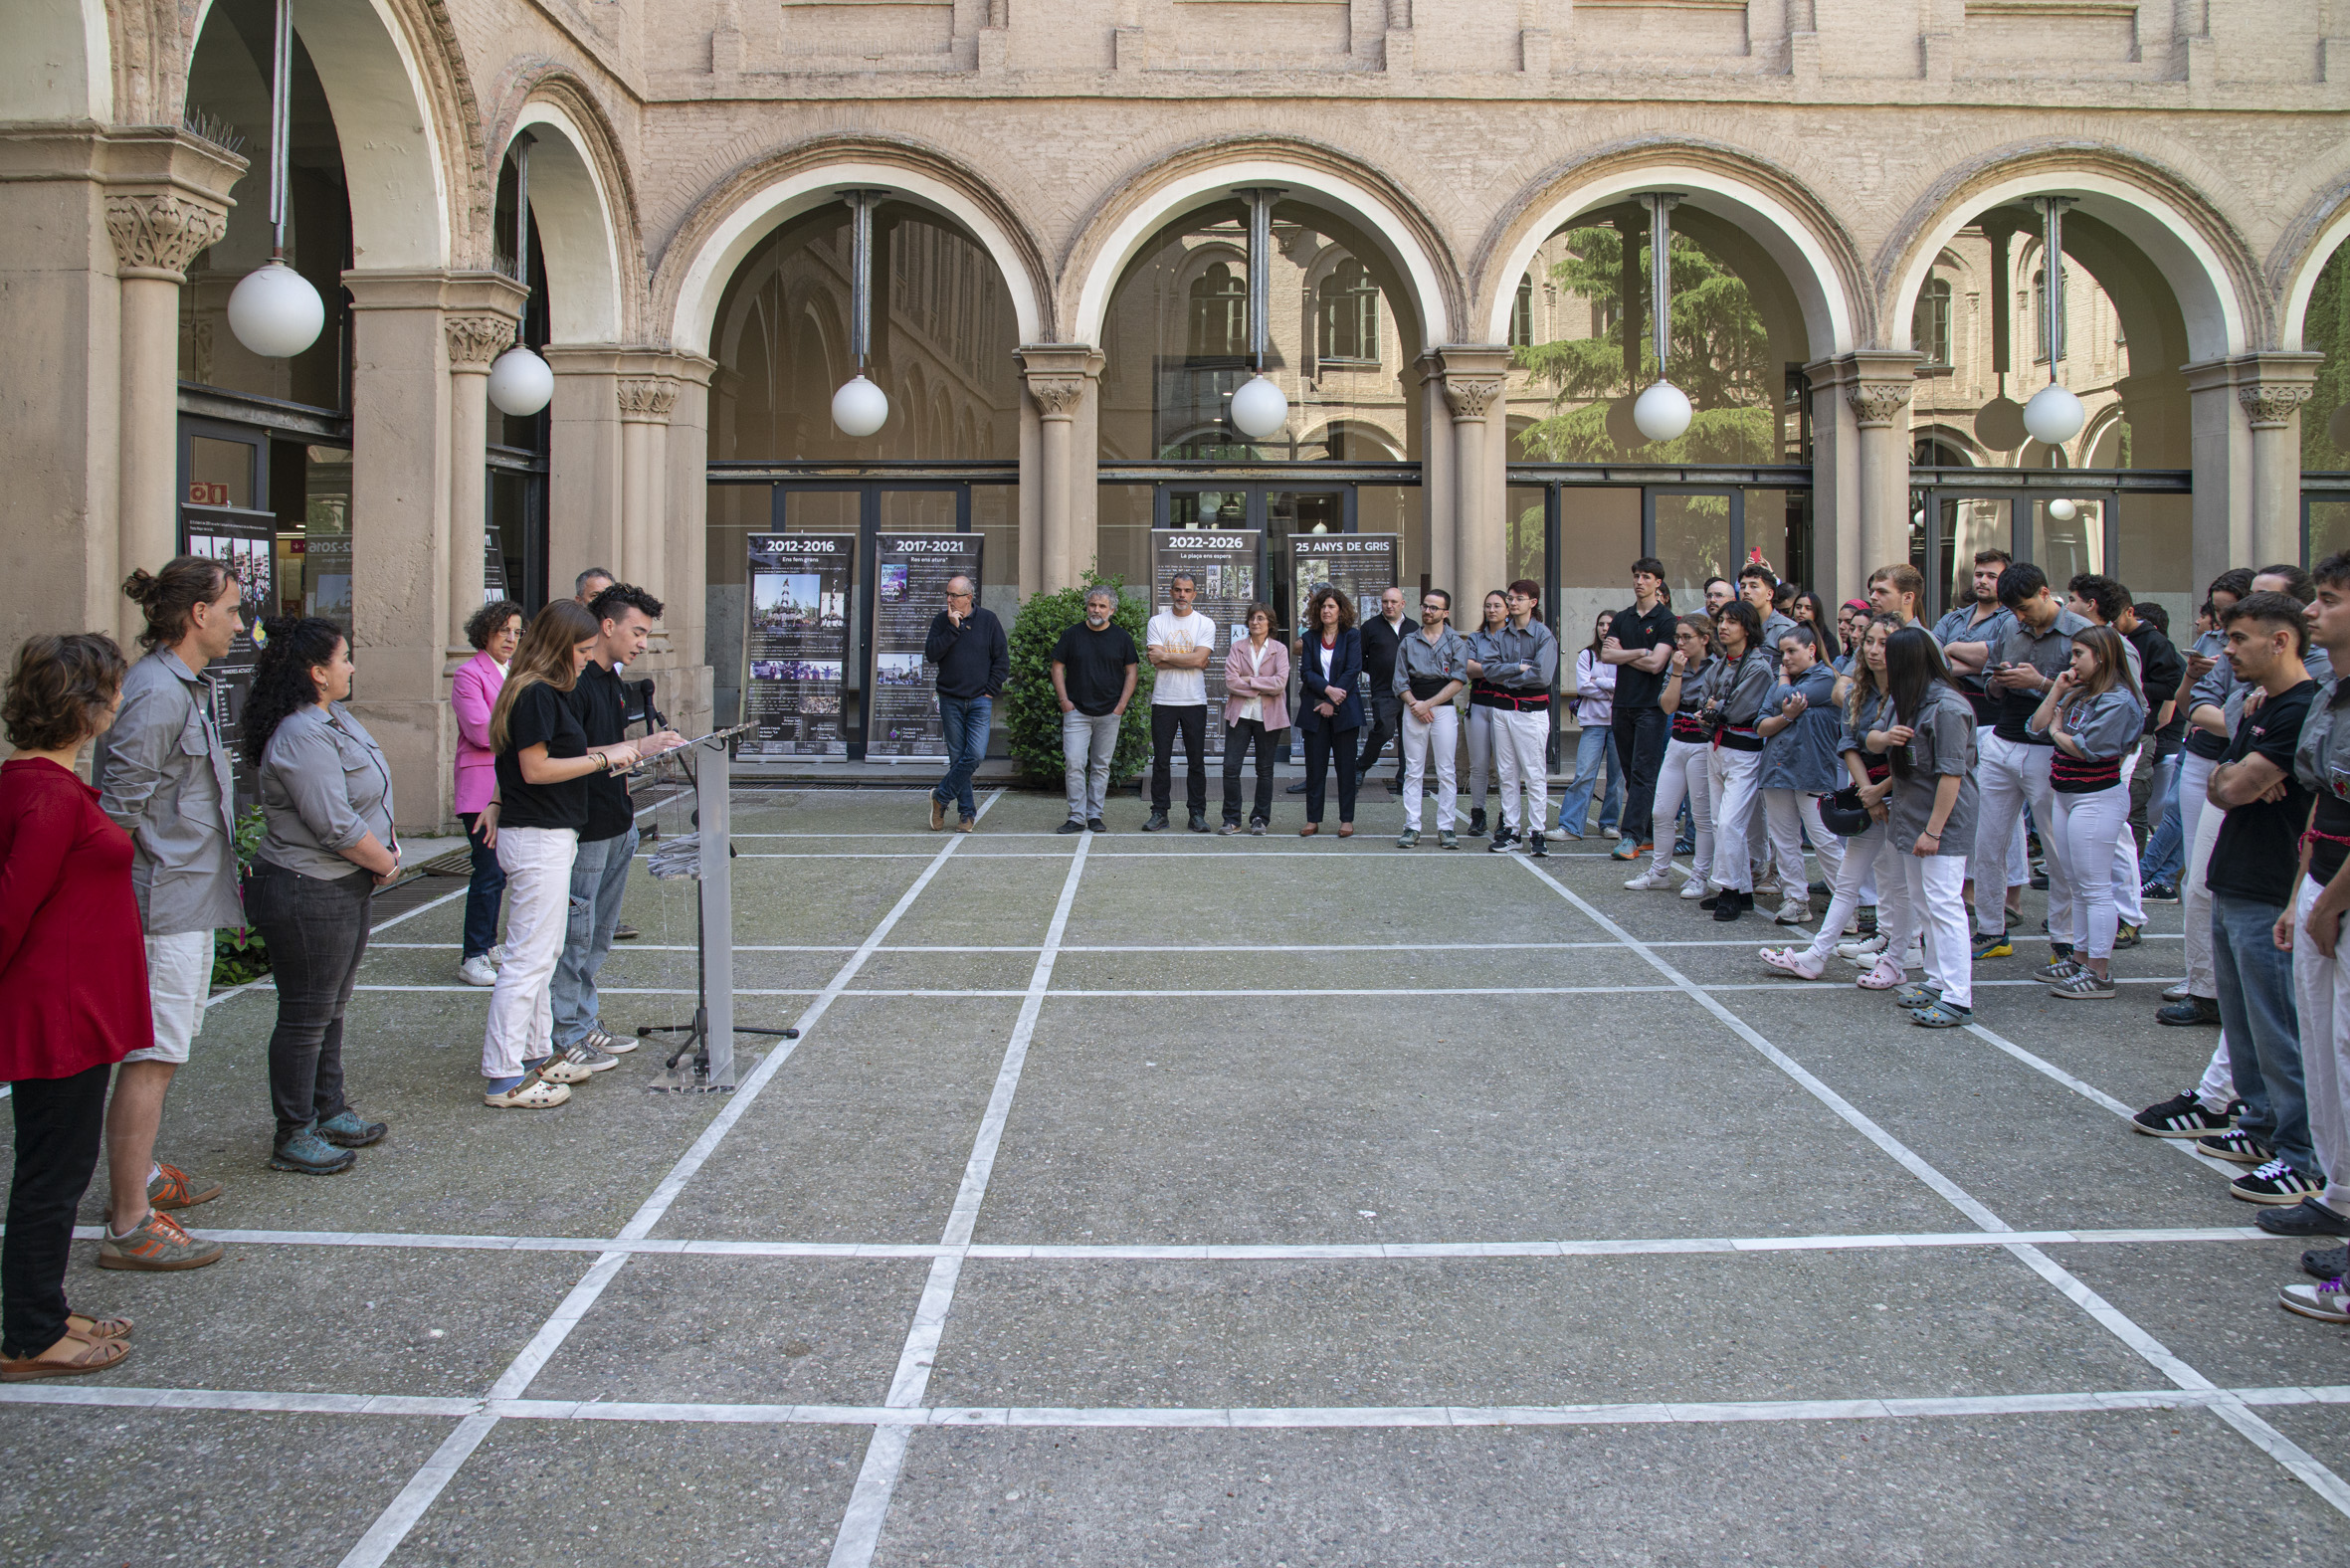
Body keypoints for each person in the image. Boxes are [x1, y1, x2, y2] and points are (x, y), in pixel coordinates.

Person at [0, 634, 146, 1379]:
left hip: (71, 1007)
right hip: (58, 1014)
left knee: (55, 1167)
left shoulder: (39, 786)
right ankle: (29, 1334)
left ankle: (44, 1310)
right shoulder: (50, 796)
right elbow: (8, 912)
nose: (120, 699)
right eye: (113, 688)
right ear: (84, 704)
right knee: (52, 1176)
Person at [91, 558, 241, 1270]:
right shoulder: (156, 692)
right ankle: (129, 1221)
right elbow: (117, 810)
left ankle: (142, 1176)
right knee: (152, 1058)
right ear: (198, 615)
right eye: (232, 610)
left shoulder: (176, 684)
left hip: (182, 895)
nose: (240, 624)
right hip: (161, 903)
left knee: (163, 1052)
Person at [240, 619, 399, 1172]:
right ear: (317, 672)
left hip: (343, 884)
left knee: (331, 1008)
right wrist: (385, 861)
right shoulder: (300, 734)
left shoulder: (335, 719)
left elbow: (365, 799)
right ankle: (294, 1133)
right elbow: (333, 823)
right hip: (307, 888)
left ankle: (328, 1109)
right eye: (344, 657)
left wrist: (382, 853)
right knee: (306, 1016)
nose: (351, 666)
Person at [479, 601, 644, 1108]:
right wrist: (604, 757)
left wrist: (608, 755)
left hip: (549, 831)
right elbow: (536, 769)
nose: (587, 658)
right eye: (582, 649)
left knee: (545, 953)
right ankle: (504, 1075)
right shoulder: (534, 693)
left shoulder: (544, 690)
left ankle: (536, 1057)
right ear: (558, 646)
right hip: (538, 834)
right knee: (528, 960)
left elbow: (535, 763)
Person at [2199, 592, 2325, 1204]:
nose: (2227, 649)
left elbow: (2237, 785)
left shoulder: (2302, 708)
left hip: (2272, 881)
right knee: (2244, 1020)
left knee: (2279, 1027)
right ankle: (2260, 1125)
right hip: (2236, 872)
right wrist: (2243, 772)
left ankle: (2301, 1154)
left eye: (2239, 638)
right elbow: (2221, 784)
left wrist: (2246, 774)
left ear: (2281, 641)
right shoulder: (2257, 706)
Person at [551, 584, 685, 1068]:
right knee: (575, 935)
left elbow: (609, 751)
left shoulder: (611, 679)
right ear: (607, 626)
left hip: (617, 820)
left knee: (599, 935)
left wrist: (639, 754)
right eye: (638, 632)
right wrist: (636, 749)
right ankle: (564, 1032)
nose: (643, 643)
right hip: (584, 825)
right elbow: (560, 757)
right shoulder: (573, 681)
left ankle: (583, 1020)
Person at [2270, 554, 2350, 1254]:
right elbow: (2322, 801)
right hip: (2322, 881)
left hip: (2343, 895)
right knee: (2322, 1045)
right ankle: (2338, 1191)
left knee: (2347, 1048)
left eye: (2328, 599)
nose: (2312, 611)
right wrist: (2303, 895)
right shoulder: (2331, 693)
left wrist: (2330, 905)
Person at [1760, 615, 1900, 981]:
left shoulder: (1830, 679)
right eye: (1868, 642)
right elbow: (1849, 741)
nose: (1872, 650)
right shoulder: (1859, 691)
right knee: (1847, 875)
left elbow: (1913, 757)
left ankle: (1901, 949)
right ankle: (1816, 953)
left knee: (1900, 880)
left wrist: (1879, 790)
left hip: (1895, 794)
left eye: (1883, 643)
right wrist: (1867, 790)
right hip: (1862, 789)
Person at [1972, 562, 2094, 972]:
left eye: (2025, 607)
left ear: (2045, 592)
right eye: (2014, 610)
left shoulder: (2080, 632)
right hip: (2003, 738)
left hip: (2048, 747)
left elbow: (2094, 694)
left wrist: (2040, 683)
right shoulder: (2010, 625)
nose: (2021, 617)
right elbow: (1988, 676)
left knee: (2057, 849)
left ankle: (2064, 938)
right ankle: (1991, 929)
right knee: (1987, 842)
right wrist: (1998, 681)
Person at [2025, 624, 2146, 1002]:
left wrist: (2058, 732)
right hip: (2068, 795)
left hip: (2096, 799)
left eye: (2079, 654)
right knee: (2076, 884)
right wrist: (2057, 691)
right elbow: (2035, 727)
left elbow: (2087, 748)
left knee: (2095, 887)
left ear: (2102, 657)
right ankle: (2080, 960)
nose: (2072, 661)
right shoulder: (2081, 692)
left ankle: (2099, 971)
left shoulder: (2119, 700)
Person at [1872, 627, 1981, 1026]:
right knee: (1924, 903)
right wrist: (1886, 737)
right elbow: (1871, 739)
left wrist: (1934, 831)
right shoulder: (1909, 700)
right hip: (1912, 815)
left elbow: (1952, 775)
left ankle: (1958, 997)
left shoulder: (1947, 708)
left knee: (1944, 905)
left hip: (1940, 821)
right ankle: (1937, 980)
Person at [1932, 549, 2026, 953]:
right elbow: (1934, 656)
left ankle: (2012, 896)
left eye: (1992, 575)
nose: (1983, 581)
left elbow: (1996, 657)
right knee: (1974, 811)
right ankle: (1976, 895)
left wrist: (1958, 652)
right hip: (1956, 716)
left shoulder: (2011, 619)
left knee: (2003, 818)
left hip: (1993, 720)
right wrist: (1967, 658)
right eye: (1980, 574)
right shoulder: (1956, 617)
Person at [2144, 570, 2252, 910]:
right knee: (2196, 867)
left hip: (2237, 758)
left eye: (2228, 610)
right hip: (2200, 752)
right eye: (2216, 610)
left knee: (2219, 863)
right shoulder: (2212, 639)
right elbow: (2190, 706)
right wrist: (2193, 676)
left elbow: (2259, 719)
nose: (2219, 620)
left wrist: (2218, 716)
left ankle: (2152, 875)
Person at [453, 598, 523, 987]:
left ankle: (488, 943)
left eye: (516, 631)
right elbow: (480, 730)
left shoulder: (514, 671)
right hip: (481, 785)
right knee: (488, 870)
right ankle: (473, 954)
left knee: (501, 870)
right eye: (503, 631)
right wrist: (527, 730)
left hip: (509, 781)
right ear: (486, 633)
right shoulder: (468, 673)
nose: (511, 638)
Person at [1756, 626, 1844, 926]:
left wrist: (1782, 680)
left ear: (1811, 650)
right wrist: (1787, 716)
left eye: (1792, 651)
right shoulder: (1784, 682)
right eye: (1782, 653)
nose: (1785, 658)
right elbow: (1761, 725)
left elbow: (1784, 697)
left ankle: (1846, 906)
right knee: (1784, 841)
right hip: (1777, 769)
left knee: (1823, 840)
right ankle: (1796, 900)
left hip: (1812, 771)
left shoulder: (1826, 678)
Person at [1626, 614, 1718, 895]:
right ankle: (1659, 873)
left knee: (1700, 816)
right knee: (1662, 811)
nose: (1680, 643)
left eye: (1687, 637)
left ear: (1705, 639)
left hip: (1703, 744)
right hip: (1678, 741)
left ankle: (1699, 876)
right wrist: (1677, 672)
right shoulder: (1677, 665)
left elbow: (1712, 707)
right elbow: (1667, 706)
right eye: (1678, 637)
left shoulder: (1718, 666)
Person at [1698, 600, 1775, 921]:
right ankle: (1740, 891)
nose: (1723, 626)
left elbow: (1736, 709)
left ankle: (1729, 890)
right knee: (1720, 821)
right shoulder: (1720, 664)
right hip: (1717, 746)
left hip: (1744, 751)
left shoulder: (1758, 667)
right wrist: (1714, 708)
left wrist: (1714, 708)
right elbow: (1704, 700)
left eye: (1731, 621)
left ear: (1747, 627)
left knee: (1731, 822)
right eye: (1721, 621)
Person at [1603, 557, 1677, 861]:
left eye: (1646, 577)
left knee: (1644, 771)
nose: (1639, 581)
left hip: (1651, 706)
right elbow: (1607, 656)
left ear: (1658, 583)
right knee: (1630, 771)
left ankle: (1630, 836)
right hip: (1622, 703)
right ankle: (1647, 831)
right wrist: (1640, 652)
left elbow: (1657, 663)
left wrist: (1624, 654)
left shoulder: (1667, 620)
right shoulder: (1622, 617)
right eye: (1636, 576)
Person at [1481, 578, 1560, 858]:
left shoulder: (1543, 636)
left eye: (1518, 598)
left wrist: (1508, 677)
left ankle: (1537, 832)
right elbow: (1489, 671)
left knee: (1534, 774)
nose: (1513, 603)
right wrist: (1518, 668)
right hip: (1502, 710)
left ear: (1533, 602)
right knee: (1507, 774)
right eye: (1511, 598)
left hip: (1530, 711)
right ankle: (1511, 831)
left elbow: (1542, 675)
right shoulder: (1501, 635)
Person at [1052, 587, 1139, 834]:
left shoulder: (1122, 637)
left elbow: (1132, 671)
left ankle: (1094, 815)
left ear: (1112, 610)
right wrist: (1064, 701)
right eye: (1092, 605)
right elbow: (1057, 666)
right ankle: (1076, 817)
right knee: (1074, 762)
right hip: (1076, 712)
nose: (1096, 610)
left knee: (1101, 766)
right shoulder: (1072, 634)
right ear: (1087, 606)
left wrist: (1121, 706)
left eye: (1102, 606)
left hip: (1110, 713)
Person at [923, 574, 1007, 834]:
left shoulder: (988, 620)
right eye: (947, 594)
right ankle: (967, 813)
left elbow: (1001, 660)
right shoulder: (942, 622)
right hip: (950, 699)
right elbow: (931, 654)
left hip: (980, 700)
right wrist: (952, 628)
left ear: (968, 597)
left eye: (954, 595)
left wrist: (990, 691)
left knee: (975, 755)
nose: (949, 599)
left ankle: (941, 796)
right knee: (958, 757)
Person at [1394, 589, 1468, 849]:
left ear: (1445, 613)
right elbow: (1399, 680)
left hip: (1442, 709)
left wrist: (1429, 705)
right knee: (1413, 770)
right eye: (1425, 606)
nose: (1427, 611)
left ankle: (1446, 827)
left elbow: (1458, 680)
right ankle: (1411, 826)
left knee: (1446, 770)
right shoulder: (1408, 641)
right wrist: (1416, 705)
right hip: (1413, 707)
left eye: (1434, 608)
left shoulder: (1456, 642)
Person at [1144, 572, 1217, 833]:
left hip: (1194, 701)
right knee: (1161, 760)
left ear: (1194, 594)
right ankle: (1159, 812)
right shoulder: (1157, 621)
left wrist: (1167, 655)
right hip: (1163, 700)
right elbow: (1157, 662)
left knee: (1196, 761)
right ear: (1171, 592)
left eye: (1187, 591)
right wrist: (1191, 659)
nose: (1182, 595)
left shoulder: (1205, 623)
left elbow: (1199, 659)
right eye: (1177, 590)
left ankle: (1196, 814)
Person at [1296, 584, 1363, 838]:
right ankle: (1312, 819)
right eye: (1323, 606)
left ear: (1341, 610)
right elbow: (1307, 672)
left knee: (1346, 769)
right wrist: (1327, 691)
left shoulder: (1352, 636)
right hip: (1315, 709)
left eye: (1331, 607)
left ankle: (1347, 820)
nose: (1326, 610)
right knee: (1315, 768)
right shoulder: (1310, 637)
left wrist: (1333, 700)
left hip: (1345, 711)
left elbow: (1352, 670)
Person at [1220, 602, 1289, 835]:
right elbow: (1231, 682)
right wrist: (1262, 685)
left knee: (1265, 770)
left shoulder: (1280, 649)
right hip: (1240, 715)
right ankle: (1231, 819)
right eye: (1252, 618)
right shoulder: (1237, 647)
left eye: (1260, 618)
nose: (1255, 622)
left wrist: (1249, 680)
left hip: (1269, 717)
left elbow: (1280, 683)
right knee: (1230, 768)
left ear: (1270, 622)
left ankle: (1260, 818)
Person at [1557, 611, 1623, 841]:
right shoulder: (1588, 655)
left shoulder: (1624, 656)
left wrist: (1600, 682)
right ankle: (1571, 826)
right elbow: (1583, 687)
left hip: (1619, 723)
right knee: (1584, 774)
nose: (1604, 629)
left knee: (1616, 778)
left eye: (1609, 625)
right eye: (1601, 624)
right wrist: (1611, 691)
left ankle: (1609, 823)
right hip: (1593, 723)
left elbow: (1624, 686)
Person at [1356, 585, 1417, 796]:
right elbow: (1359, 657)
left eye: (1393, 602)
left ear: (1402, 604)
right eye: (1385, 602)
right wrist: (1376, 669)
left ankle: (1405, 782)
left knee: (1410, 736)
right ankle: (1361, 766)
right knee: (1385, 730)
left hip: (1411, 690)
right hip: (1384, 689)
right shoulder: (1370, 627)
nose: (1389, 606)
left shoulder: (1414, 627)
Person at [1463, 590, 1510, 837]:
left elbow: (1518, 670)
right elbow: (1468, 669)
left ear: (1507, 609)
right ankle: (1478, 815)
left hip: (1504, 705)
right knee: (1478, 765)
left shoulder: (1515, 637)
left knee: (1505, 767)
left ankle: (1507, 817)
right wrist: (1500, 669)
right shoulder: (1475, 638)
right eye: (1488, 605)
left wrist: (1486, 669)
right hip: (1478, 705)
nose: (1491, 610)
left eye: (1497, 606)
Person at [1738, 564, 1798, 665]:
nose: (1746, 591)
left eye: (1753, 586)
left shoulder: (1786, 630)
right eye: (1743, 587)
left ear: (1769, 594)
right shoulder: (1736, 627)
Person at [1791, 589, 1840, 664]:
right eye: (1798, 607)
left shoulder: (1828, 640)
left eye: (1808, 608)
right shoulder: (1788, 633)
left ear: (1816, 612)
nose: (1801, 611)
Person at [1867, 564, 1924, 628]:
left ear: (1907, 598)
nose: (1872, 597)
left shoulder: (1920, 634)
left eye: (1882, 592)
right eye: (1872, 592)